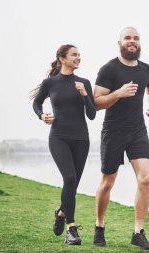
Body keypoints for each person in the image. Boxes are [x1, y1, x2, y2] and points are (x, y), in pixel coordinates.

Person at [93, 27, 149, 250]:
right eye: (128, 38)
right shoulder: (109, 69)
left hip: (138, 131)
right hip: (113, 131)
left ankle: (138, 232)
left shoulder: (147, 69)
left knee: (146, 179)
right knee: (107, 183)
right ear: (120, 42)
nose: (132, 41)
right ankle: (99, 226)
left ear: (140, 43)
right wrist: (118, 94)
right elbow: (96, 102)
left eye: (136, 38)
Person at [31, 44, 96, 245]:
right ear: (62, 58)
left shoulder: (84, 82)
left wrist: (85, 94)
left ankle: (60, 213)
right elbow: (36, 103)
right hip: (58, 137)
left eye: (79, 55)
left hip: (81, 139)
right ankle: (71, 229)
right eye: (74, 55)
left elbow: (92, 115)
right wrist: (42, 115)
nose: (78, 58)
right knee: (69, 177)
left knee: (72, 184)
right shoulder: (50, 83)